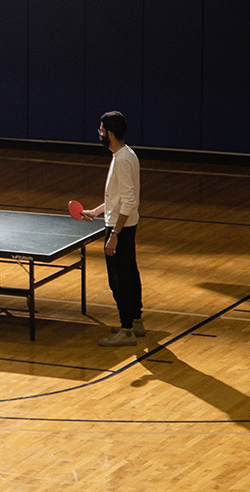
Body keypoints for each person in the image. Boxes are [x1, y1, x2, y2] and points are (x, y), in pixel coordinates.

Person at [81, 111, 144, 347]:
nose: (100, 133)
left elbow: (129, 201)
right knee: (130, 273)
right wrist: (96, 212)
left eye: (101, 130)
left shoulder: (123, 160)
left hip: (121, 228)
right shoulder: (125, 155)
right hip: (125, 224)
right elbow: (118, 198)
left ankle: (126, 329)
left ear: (110, 133)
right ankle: (135, 321)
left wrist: (115, 234)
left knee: (118, 281)